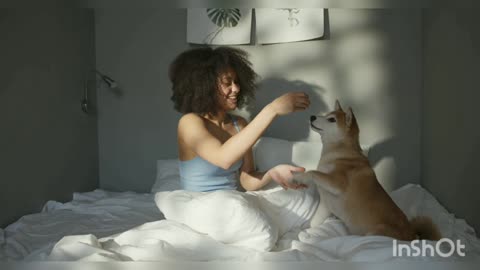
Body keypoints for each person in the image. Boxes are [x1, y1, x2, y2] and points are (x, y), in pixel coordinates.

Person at [169, 46, 310, 192]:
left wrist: (272, 173)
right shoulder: (189, 122)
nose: (236, 88)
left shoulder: (239, 124)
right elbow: (224, 159)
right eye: (227, 82)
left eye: (236, 81)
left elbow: (246, 180)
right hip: (199, 204)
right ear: (205, 86)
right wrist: (272, 109)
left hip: (230, 201)